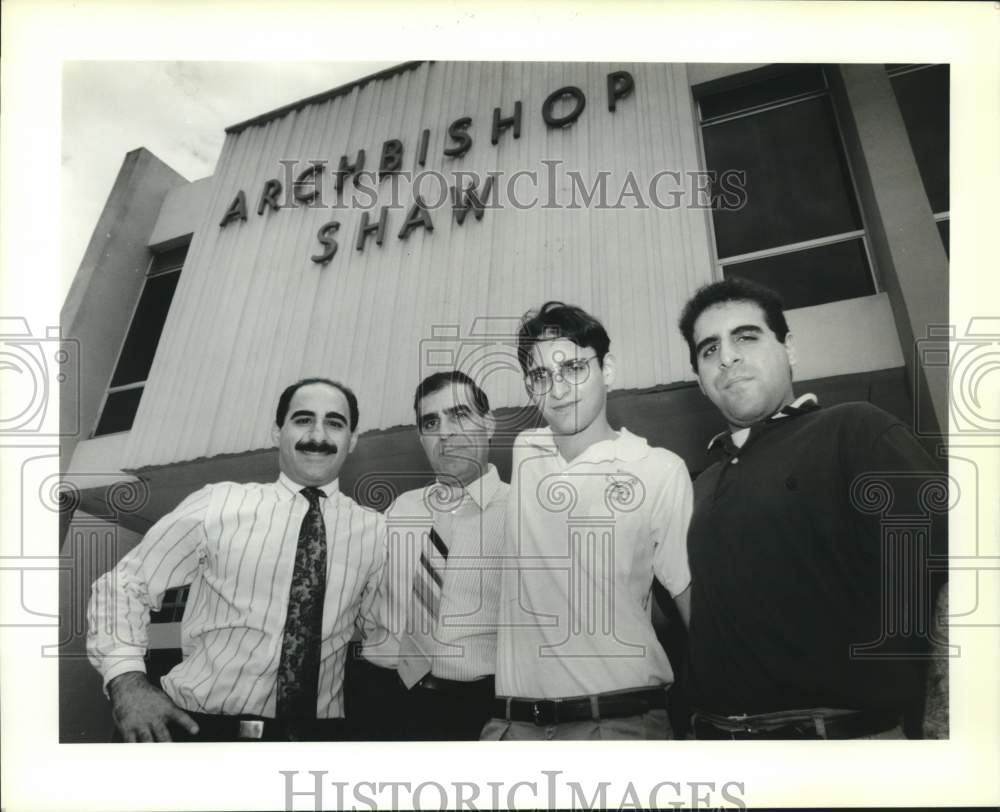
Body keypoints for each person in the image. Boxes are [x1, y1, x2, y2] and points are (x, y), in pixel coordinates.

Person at [677, 278, 948, 739]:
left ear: (790, 349)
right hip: (719, 751)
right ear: (702, 384)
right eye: (709, 350)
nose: (727, 357)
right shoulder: (700, 485)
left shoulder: (855, 429)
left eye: (746, 336)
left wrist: (945, 728)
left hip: (841, 749)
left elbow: (952, 574)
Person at [87, 377, 386, 742]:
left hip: (313, 743)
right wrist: (126, 680)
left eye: (335, 423)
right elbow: (124, 585)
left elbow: (387, 632)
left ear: (352, 440)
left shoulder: (378, 531)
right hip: (198, 733)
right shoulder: (218, 502)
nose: (317, 435)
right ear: (277, 431)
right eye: (303, 419)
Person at [481, 301, 693, 741]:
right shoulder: (527, 450)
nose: (557, 389)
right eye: (541, 376)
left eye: (574, 367)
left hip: (618, 725)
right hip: (513, 730)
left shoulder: (658, 468)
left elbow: (692, 606)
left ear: (607, 369)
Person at [352, 371, 508, 740]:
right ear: (422, 438)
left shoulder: (523, 513)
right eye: (431, 422)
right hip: (378, 700)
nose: (445, 432)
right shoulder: (399, 510)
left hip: (474, 714)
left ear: (489, 424)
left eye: (460, 415)